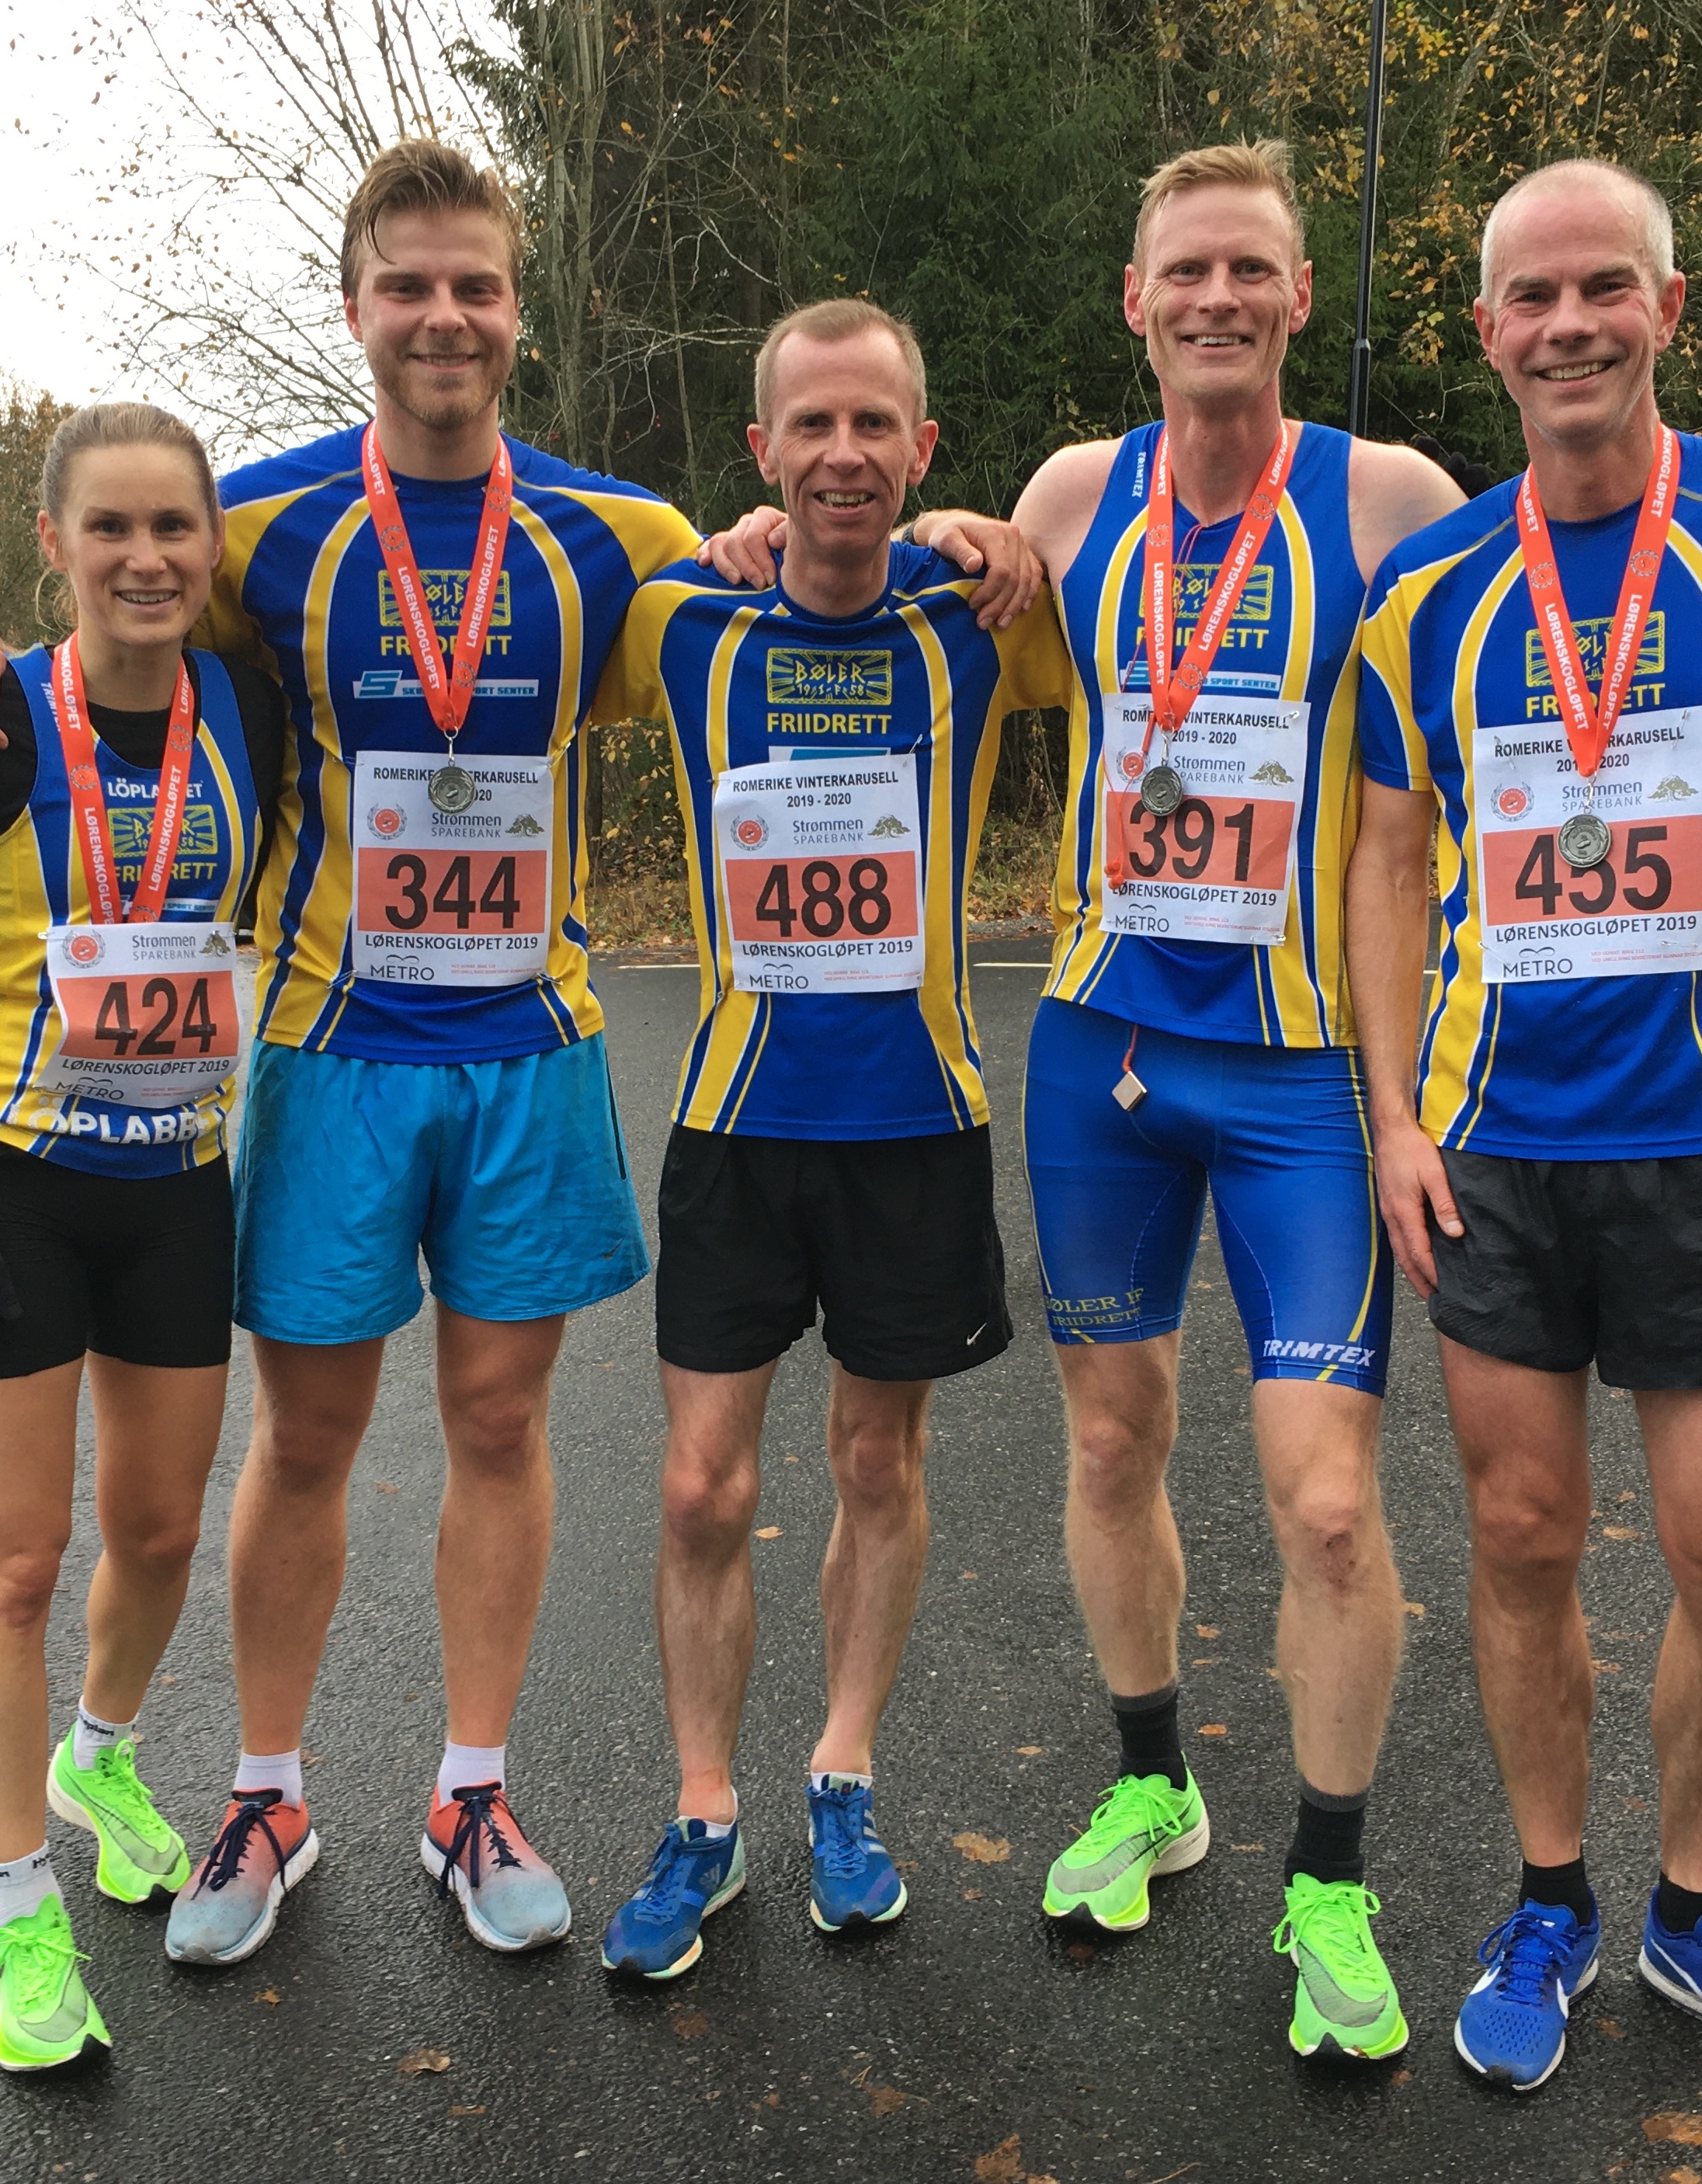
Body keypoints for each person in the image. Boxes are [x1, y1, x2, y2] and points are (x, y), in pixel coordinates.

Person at [912, 138, 1702, 2064]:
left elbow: (1579, 506)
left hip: (1306, 1071)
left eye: (1250, 267)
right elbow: (950, 624)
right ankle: (1153, 1781)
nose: (1217, 296)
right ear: (1134, 298)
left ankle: (1330, 1879)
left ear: (1296, 296)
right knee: (1110, 1440)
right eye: (1184, 268)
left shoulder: (1402, 502)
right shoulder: (1069, 497)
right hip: (1102, 1047)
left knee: (1334, 1505)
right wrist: (848, 533)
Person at [0, 141, 735, 1970]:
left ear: (518, 308)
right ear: (354, 309)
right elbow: (95, 625)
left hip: (530, 1046)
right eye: (407, 285)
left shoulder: (627, 536)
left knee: (498, 1423)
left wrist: (962, 545)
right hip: (332, 1044)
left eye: (474, 285)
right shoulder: (261, 528)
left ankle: (472, 1788)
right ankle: (267, 1789)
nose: (444, 316)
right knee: (307, 1434)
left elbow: (791, 608)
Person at [1348, 157, 1702, 2102]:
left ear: (1667, 310)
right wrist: (1390, 1118)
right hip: (1492, 1151)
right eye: (1532, 295)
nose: (1569, 323)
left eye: (1605, 287)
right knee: (1518, 1537)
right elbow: (1386, 860)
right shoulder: (1423, 589)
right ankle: (1546, 1898)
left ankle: (1697, 1910)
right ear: (1485, 332)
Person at [590, 300, 1065, 1977]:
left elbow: (1173, 616)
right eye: (813, 425)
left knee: (877, 1465)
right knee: (700, 1483)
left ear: (922, 448)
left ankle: (843, 1778)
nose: (844, 454)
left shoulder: (983, 619)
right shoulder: (682, 621)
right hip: (735, 1121)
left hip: (915, 1122)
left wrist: (1005, 535)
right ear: (762, 451)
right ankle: (702, 1811)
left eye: (876, 425)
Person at [0, 403, 285, 2067]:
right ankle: (21, 1915)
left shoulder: (248, 702)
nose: (145, 557)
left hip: (175, 1177)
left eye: (173, 526)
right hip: (10, 1184)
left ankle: (98, 1757)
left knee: (161, 1527)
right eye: (109, 527)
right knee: (18, 1561)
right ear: (54, 543)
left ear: (209, 545)